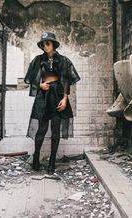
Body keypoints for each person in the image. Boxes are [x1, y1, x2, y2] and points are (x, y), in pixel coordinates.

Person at [24, 32, 80, 174]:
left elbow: (67, 80)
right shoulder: (38, 60)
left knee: (56, 130)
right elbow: (30, 77)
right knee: (41, 129)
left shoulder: (63, 60)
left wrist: (65, 99)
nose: (45, 46)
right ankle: (36, 157)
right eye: (43, 44)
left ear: (53, 44)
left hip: (57, 96)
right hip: (43, 97)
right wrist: (40, 84)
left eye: (47, 43)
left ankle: (52, 162)